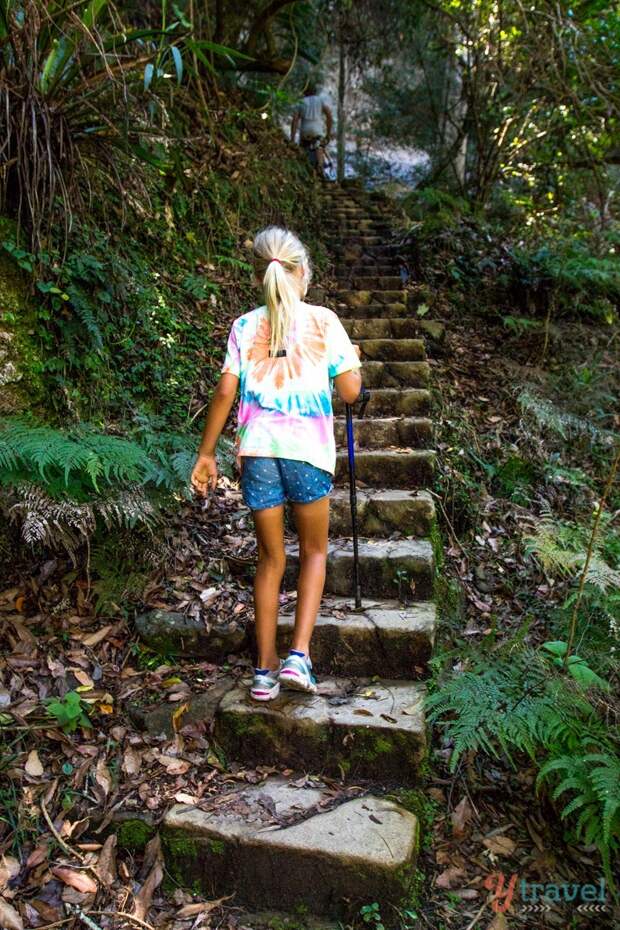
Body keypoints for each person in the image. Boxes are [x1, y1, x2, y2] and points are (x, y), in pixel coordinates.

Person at [190, 227, 361, 702]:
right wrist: (353, 367)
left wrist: (206, 454)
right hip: (308, 453)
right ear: (302, 273)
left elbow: (226, 390)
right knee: (314, 553)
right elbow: (350, 392)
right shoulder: (325, 322)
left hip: (259, 453)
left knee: (269, 560)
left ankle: (263, 671)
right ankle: (298, 659)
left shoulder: (245, 326)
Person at [291, 84, 333, 174]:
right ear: (315, 91)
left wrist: (292, 139)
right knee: (319, 147)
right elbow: (329, 115)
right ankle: (320, 169)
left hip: (305, 131)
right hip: (317, 131)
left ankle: (306, 172)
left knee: (304, 153)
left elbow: (295, 120)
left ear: (304, 91)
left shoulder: (300, 102)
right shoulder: (320, 101)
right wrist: (328, 134)